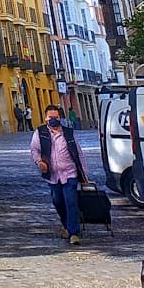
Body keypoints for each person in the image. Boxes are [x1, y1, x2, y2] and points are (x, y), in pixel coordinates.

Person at [32, 103, 89, 245]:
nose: (53, 119)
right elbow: (34, 149)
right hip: (52, 175)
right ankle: (66, 225)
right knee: (58, 201)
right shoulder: (41, 133)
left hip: (70, 172)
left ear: (60, 117)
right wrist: (39, 162)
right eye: (51, 117)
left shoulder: (68, 133)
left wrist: (84, 174)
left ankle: (74, 233)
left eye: (56, 117)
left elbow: (78, 152)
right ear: (45, 118)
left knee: (71, 201)